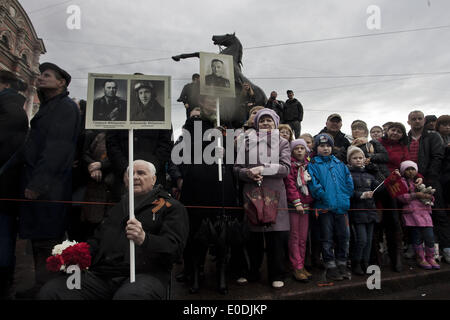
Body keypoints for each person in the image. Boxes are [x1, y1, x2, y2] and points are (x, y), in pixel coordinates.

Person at [38, 160, 189, 300]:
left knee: (129, 297)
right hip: (102, 275)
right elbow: (97, 240)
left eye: (141, 173)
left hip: (146, 275)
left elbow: (174, 248)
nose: (135, 177)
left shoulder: (171, 207)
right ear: (125, 180)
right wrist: (76, 254)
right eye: (131, 174)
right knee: (53, 290)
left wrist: (145, 239)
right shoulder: (118, 207)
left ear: (154, 179)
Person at [17, 62, 81, 297]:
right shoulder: (51, 105)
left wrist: (37, 184)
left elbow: (56, 150)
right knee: (39, 238)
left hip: (50, 188)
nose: (41, 78)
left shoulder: (64, 107)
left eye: (47, 75)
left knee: (47, 239)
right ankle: (40, 286)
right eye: (41, 74)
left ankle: (47, 289)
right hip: (45, 185)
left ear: (61, 82)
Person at [234, 108, 291, 289]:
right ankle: (253, 272)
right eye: (262, 120)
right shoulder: (246, 142)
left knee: (276, 239)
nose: (266, 123)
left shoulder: (283, 143)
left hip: (275, 196)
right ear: (256, 123)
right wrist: (248, 173)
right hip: (252, 194)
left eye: (269, 120)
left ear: (275, 123)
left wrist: (262, 168)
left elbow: (285, 168)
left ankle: (277, 274)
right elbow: (237, 169)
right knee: (253, 239)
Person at [307, 133, 354, 281]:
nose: (325, 148)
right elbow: (313, 184)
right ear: (317, 148)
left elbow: (349, 182)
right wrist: (324, 196)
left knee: (344, 237)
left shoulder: (340, 164)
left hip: (342, 207)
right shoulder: (313, 164)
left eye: (328, 146)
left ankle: (342, 263)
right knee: (326, 238)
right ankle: (330, 265)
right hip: (324, 208)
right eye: (322, 146)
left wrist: (345, 196)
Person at [0, 70, 29, 299]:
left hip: (4, 185)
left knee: (3, 234)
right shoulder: (14, 108)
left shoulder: (9, 110)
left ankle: (3, 280)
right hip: (7, 184)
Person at [407, 110, 448, 265]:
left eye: (419, 118)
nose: (417, 121)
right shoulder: (406, 138)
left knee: (438, 214)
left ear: (424, 120)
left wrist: (429, 178)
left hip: (431, 180)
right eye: (413, 119)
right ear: (408, 121)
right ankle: (416, 249)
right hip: (411, 182)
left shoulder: (433, 136)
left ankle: (445, 248)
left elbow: (438, 157)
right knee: (413, 216)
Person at [106, 123, 173, 201]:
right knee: (123, 210)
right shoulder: (119, 114)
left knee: (153, 210)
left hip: (155, 177)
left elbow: (166, 145)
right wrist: (125, 169)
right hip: (123, 179)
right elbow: (111, 144)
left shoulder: (161, 115)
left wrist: (150, 169)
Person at [379, 122, 411, 272]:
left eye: (399, 131)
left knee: (394, 221)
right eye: (393, 130)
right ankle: (376, 257)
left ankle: (396, 258)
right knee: (377, 220)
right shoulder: (378, 143)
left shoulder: (404, 148)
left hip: (394, 184)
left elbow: (408, 166)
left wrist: (416, 175)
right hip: (379, 182)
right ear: (387, 131)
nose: (395, 133)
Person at [396, 161, 440, 270]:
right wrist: (416, 195)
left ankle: (430, 257)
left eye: (413, 169)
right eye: (407, 169)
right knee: (417, 237)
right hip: (412, 214)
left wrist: (428, 196)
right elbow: (401, 197)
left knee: (430, 237)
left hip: (425, 213)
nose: (411, 171)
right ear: (403, 171)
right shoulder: (402, 182)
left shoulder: (420, 181)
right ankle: (420, 258)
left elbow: (431, 196)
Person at [284, 139, 314, 282]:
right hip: (294, 206)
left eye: (302, 148)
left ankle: (301, 265)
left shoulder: (308, 166)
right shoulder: (290, 166)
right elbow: (290, 185)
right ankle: (296, 266)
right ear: (292, 151)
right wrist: (297, 202)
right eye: (297, 148)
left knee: (303, 238)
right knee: (294, 237)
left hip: (307, 206)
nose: (300, 151)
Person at [346, 146, 379, 275]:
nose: (358, 160)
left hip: (370, 211)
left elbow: (380, 187)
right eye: (355, 158)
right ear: (349, 160)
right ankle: (356, 263)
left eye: (360, 158)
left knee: (369, 240)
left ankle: (366, 263)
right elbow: (348, 191)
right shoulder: (348, 174)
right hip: (357, 211)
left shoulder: (369, 175)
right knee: (361, 240)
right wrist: (361, 195)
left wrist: (376, 170)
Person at [435, 115, 450, 264]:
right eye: (444, 124)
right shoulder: (436, 139)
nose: (447, 127)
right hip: (440, 180)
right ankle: (445, 248)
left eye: (449, 125)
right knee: (441, 216)